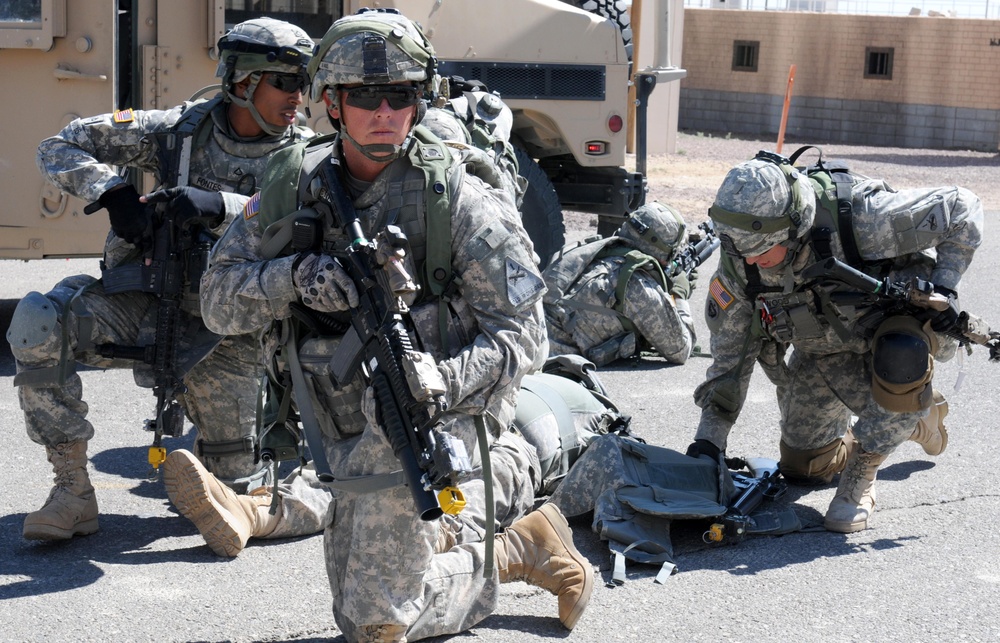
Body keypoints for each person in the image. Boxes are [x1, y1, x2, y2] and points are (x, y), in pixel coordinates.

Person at [166, 8, 592, 640]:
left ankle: (511, 550)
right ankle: (513, 542)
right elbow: (218, 302)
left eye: (402, 95)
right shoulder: (293, 186)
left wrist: (441, 378)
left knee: (374, 622)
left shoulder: (456, 199)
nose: (386, 112)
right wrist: (294, 277)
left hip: (436, 411)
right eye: (366, 96)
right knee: (365, 599)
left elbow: (526, 334)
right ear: (332, 103)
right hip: (332, 418)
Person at [9, 18, 327, 543]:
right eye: (286, 82)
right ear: (243, 83)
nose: (299, 97)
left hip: (232, 332)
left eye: (304, 83)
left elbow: (309, 224)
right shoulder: (177, 131)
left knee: (233, 493)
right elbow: (58, 146)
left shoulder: (306, 154)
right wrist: (111, 192)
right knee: (39, 322)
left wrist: (219, 207)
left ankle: (219, 468)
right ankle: (71, 491)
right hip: (146, 302)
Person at [685, 150, 983, 533]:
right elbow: (729, 364)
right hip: (824, 349)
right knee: (803, 469)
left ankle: (865, 467)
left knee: (902, 355)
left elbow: (963, 207)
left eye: (761, 251)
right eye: (740, 250)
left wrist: (944, 286)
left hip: (892, 336)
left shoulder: (862, 219)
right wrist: (708, 447)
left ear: (794, 229)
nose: (751, 260)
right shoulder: (741, 261)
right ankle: (916, 418)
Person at [542, 200, 698, 366]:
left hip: (535, 341)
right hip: (550, 363)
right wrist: (679, 295)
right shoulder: (637, 285)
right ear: (662, 252)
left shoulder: (597, 251)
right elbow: (680, 350)